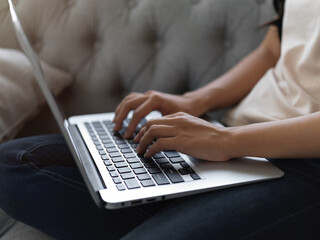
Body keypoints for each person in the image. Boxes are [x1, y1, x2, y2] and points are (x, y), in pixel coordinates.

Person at [0, 0, 319, 239]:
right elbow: (274, 49)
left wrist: (227, 142)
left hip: (300, 160)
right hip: (235, 134)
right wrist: (194, 101)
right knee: (13, 164)